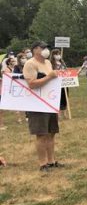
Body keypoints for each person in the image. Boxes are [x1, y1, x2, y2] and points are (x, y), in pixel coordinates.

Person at [23, 41, 62, 172]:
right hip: (37, 104)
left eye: (47, 48)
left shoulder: (48, 63)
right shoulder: (30, 64)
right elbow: (32, 84)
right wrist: (49, 76)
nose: (46, 50)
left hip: (50, 102)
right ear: (35, 50)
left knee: (51, 133)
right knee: (41, 134)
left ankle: (51, 161)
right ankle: (42, 163)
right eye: (43, 48)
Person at [50, 49, 69, 119]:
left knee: (65, 98)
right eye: (56, 54)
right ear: (53, 55)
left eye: (59, 54)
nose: (58, 55)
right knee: (58, 98)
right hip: (56, 83)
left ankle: (65, 113)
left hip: (64, 82)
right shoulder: (51, 63)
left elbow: (66, 70)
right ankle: (59, 114)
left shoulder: (62, 62)